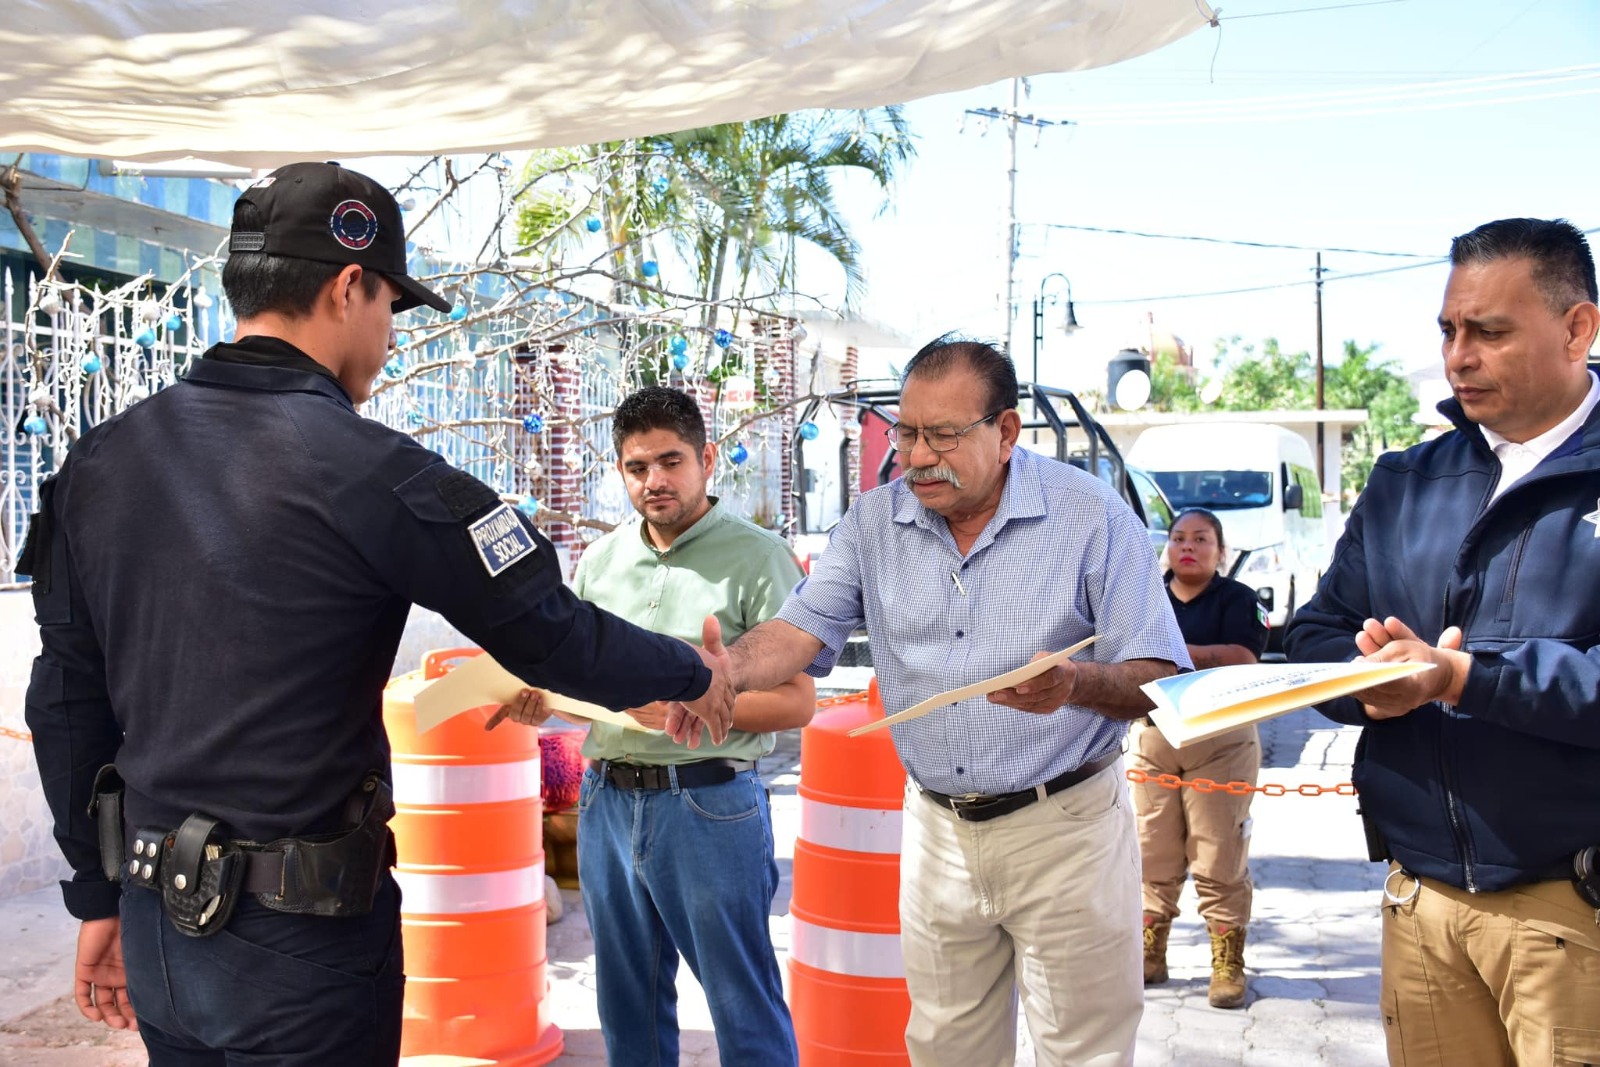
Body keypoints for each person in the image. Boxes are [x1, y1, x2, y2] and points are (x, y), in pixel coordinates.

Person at [19, 161, 734, 1067]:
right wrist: (693, 673)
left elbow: (66, 705)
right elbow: (550, 631)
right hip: (302, 948)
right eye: (392, 305)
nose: (391, 335)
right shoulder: (373, 473)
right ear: (349, 286)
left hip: (162, 930)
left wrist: (97, 894)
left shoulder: (99, 464)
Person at [683, 336, 1191, 1067]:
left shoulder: (1089, 516)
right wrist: (726, 670)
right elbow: (799, 628)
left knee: (1084, 1050)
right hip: (938, 832)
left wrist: (1075, 685)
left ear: (1006, 432)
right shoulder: (873, 522)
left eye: (943, 435)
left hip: (1067, 826)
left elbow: (1158, 674)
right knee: (946, 1047)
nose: (917, 456)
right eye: (906, 433)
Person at [1284, 217, 1600, 1067]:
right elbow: (1315, 633)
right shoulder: (1405, 482)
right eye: (1449, 330)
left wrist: (1462, 676)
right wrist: (1369, 682)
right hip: (1419, 903)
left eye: (1490, 332)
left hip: (1573, 906)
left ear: (1579, 328)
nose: (1459, 356)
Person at [496, 386, 812, 1065]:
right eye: (638, 467)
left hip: (708, 801)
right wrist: (538, 696)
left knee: (742, 1001)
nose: (655, 480)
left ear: (707, 458)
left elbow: (797, 702)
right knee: (627, 1006)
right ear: (620, 471)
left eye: (671, 461)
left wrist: (686, 705)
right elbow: (576, 677)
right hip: (606, 800)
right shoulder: (599, 561)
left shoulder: (760, 557)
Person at [1130, 508, 1268, 1008]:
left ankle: (1226, 963)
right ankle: (1150, 952)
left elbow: (1244, 658)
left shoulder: (1239, 599)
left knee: (1218, 854)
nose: (1188, 547)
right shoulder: (1144, 597)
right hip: (1154, 738)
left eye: (1201, 539)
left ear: (1221, 551)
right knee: (1152, 851)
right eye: (1179, 538)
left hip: (1222, 742)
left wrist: (1176, 653)